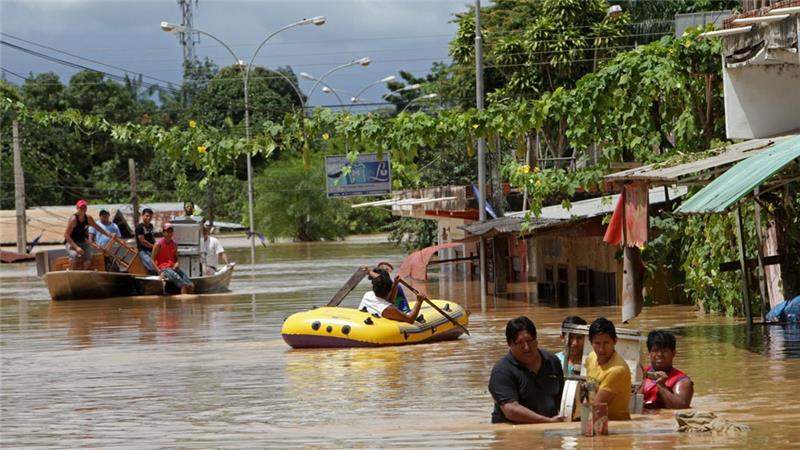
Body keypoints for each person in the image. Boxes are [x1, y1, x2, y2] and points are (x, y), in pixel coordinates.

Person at [488, 316, 565, 424]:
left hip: (549, 427)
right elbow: (511, 409)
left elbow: (563, 398)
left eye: (529, 341)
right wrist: (546, 421)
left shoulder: (552, 361)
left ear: (536, 340)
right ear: (509, 344)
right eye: (520, 343)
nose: (526, 347)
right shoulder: (502, 371)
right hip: (514, 431)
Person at [584, 317, 632, 420]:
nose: (601, 349)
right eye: (597, 343)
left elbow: (596, 408)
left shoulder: (617, 370)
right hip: (596, 419)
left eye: (606, 343)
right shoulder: (590, 358)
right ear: (590, 342)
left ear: (615, 341)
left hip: (617, 426)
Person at [641, 330, 693, 410]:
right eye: (655, 350)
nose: (659, 354)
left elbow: (682, 408)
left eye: (664, 351)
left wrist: (661, 386)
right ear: (649, 353)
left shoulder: (682, 381)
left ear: (673, 353)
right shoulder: (640, 374)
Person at [358, 270, 424, 324]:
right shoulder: (389, 309)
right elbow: (410, 320)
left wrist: (395, 284)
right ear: (389, 291)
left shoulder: (368, 295)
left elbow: (389, 301)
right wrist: (419, 301)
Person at [63, 199, 114, 270]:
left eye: (84, 207)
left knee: (89, 255)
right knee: (74, 255)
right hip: (72, 242)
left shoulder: (88, 218)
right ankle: (71, 272)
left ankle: (84, 273)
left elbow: (97, 228)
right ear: (77, 208)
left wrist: (108, 234)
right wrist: (76, 247)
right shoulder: (73, 219)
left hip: (83, 241)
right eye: (81, 207)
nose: (83, 209)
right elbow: (66, 235)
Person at [152, 223, 195, 294]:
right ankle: (184, 303)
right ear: (163, 232)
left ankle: (191, 304)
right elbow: (152, 260)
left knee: (191, 285)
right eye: (167, 231)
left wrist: (177, 263)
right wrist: (159, 271)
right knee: (183, 285)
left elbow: (176, 259)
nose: (169, 233)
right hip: (164, 268)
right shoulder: (158, 244)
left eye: (171, 231)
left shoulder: (174, 244)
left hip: (173, 267)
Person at [135, 208, 158, 274]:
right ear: (142, 215)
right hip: (143, 251)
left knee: (159, 264)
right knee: (152, 266)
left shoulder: (151, 226)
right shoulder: (139, 227)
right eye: (147, 216)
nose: (149, 218)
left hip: (151, 250)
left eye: (150, 216)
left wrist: (156, 245)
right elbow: (142, 241)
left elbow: (152, 237)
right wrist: (154, 246)